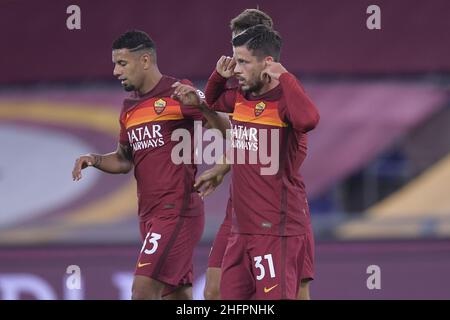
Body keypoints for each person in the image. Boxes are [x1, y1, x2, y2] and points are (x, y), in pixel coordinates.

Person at [71, 30, 227, 300]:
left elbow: (226, 127)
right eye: (114, 64)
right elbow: (124, 160)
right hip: (148, 216)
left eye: (122, 63)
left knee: (141, 292)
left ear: (145, 60)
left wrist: (202, 106)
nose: (115, 71)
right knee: (177, 297)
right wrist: (95, 160)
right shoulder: (129, 108)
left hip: (177, 211)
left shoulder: (179, 92)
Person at [195, 25, 319, 299]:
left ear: (268, 64)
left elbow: (309, 120)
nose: (236, 69)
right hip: (241, 229)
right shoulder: (241, 98)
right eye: (234, 60)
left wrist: (285, 76)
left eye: (242, 62)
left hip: (276, 227)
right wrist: (218, 74)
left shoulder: (285, 102)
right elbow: (213, 99)